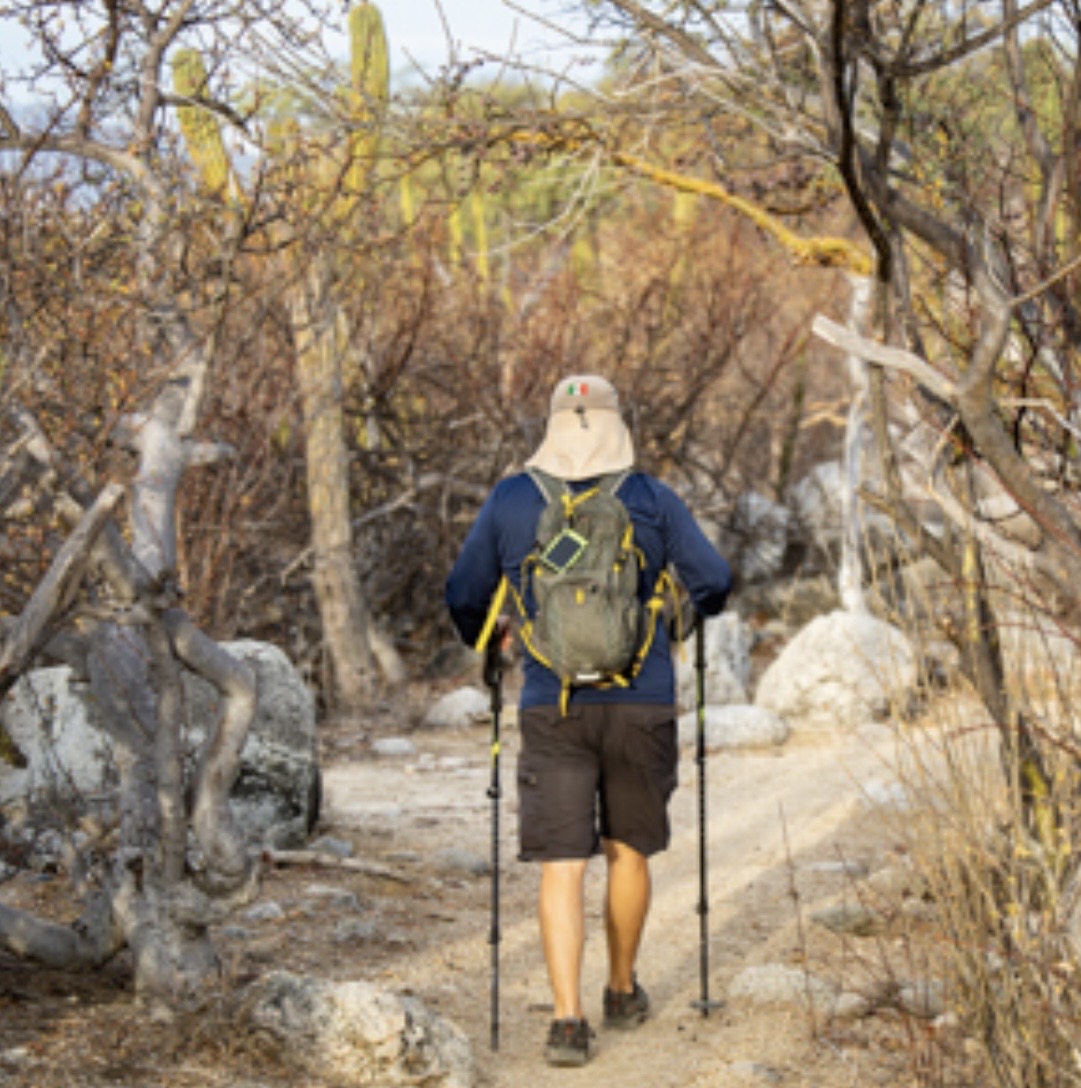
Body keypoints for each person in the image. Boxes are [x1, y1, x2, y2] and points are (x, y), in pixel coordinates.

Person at [445, 374, 731, 1067]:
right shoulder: (651, 498)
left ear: (551, 426)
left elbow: (463, 594)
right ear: (614, 422)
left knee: (562, 865)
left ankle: (567, 1022)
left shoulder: (513, 499)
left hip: (553, 706)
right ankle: (621, 987)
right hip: (641, 702)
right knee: (625, 850)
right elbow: (714, 582)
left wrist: (494, 642)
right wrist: (677, 616)